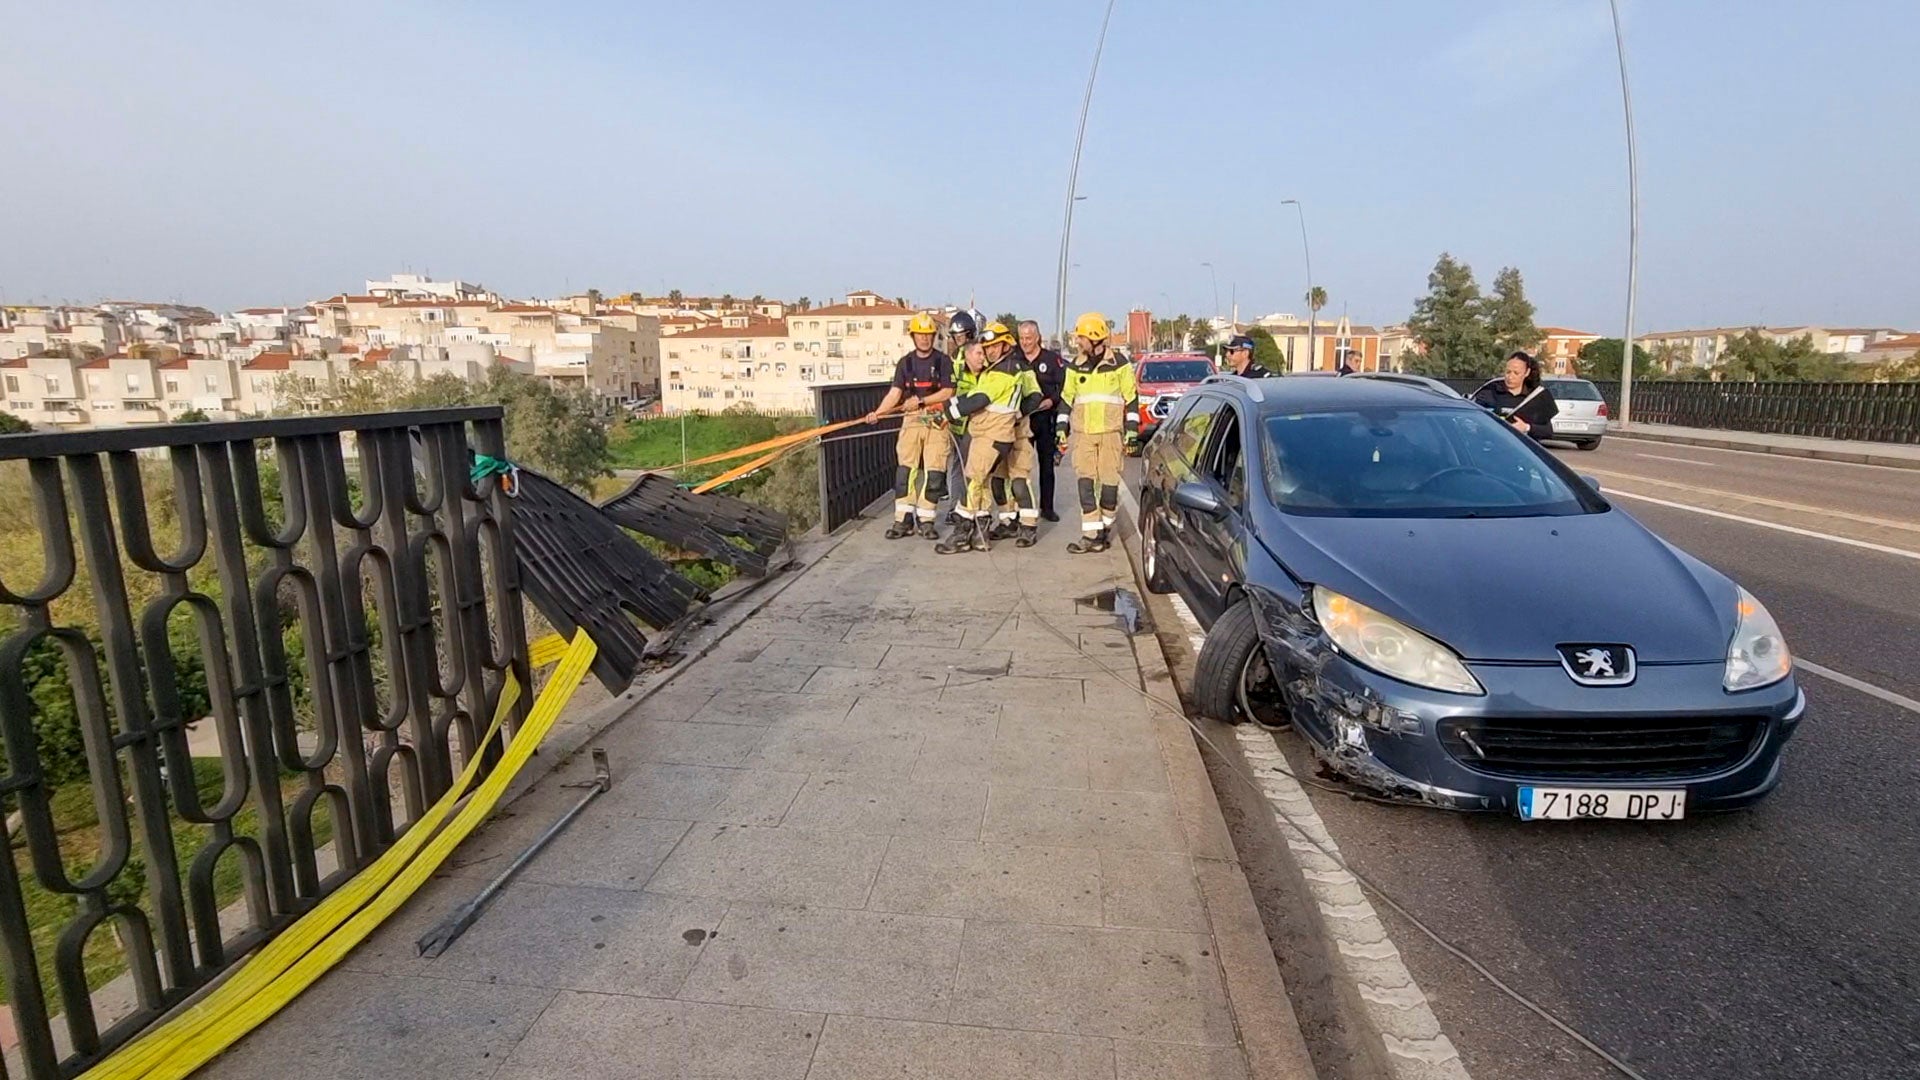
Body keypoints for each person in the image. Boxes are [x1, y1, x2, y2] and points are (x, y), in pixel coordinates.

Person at [937, 335, 1043, 553]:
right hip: (992, 433)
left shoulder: (1012, 369)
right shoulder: (991, 371)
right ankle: (991, 529)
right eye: (985, 348)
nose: (988, 351)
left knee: (1008, 482)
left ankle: (1026, 526)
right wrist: (945, 406)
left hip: (1009, 433)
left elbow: (985, 399)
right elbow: (973, 395)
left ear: (1005, 345)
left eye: (993, 346)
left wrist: (1016, 415)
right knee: (991, 483)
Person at [865, 311, 955, 537]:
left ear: (934, 337)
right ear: (913, 336)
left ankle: (926, 520)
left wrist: (922, 400)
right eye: (920, 334)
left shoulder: (943, 361)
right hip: (912, 419)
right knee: (906, 470)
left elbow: (947, 391)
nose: (924, 339)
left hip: (936, 418)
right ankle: (903, 520)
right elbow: (895, 393)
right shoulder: (905, 363)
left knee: (935, 471)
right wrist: (879, 413)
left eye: (928, 335)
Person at [1057, 312, 1138, 553]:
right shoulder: (1075, 366)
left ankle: (1104, 529)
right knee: (1085, 483)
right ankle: (1090, 535)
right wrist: (1061, 428)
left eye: (1081, 338)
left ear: (1094, 339)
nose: (1078, 342)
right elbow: (1066, 399)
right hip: (1083, 435)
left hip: (1111, 434)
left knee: (1109, 485)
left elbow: (1131, 398)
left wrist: (1132, 430)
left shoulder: (1120, 365)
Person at [1017, 320, 1067, 521]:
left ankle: (1047, 508)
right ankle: (1021, 509)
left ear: (1037, 337)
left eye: (1029, 338)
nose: (1025, 342)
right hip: (1022, 420)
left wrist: (1051, 401)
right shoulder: (1015, 359)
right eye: (1021, 338)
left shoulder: (1051, 359)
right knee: (1020, 466)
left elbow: (1063, 388)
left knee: (1046, 466)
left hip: (1045, 419)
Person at [942, 309, 983, 527]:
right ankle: (955, 509)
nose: (958, 342)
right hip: (959, 422)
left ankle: (973, 508)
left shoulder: (979, 354)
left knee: (976, 469)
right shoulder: (954, 360)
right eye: (955, 338)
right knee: (958, 466)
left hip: (978, 421)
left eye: (961, 337)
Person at [1472, 350, 1559, 441]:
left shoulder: (1535, 397)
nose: (1510, 377)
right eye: (1508, 372)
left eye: (1516, 373)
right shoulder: (1490, 392)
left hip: (1521, 450)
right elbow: (1474, 420)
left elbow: (1548, 431)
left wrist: (1526, 427)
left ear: (1527, 372)